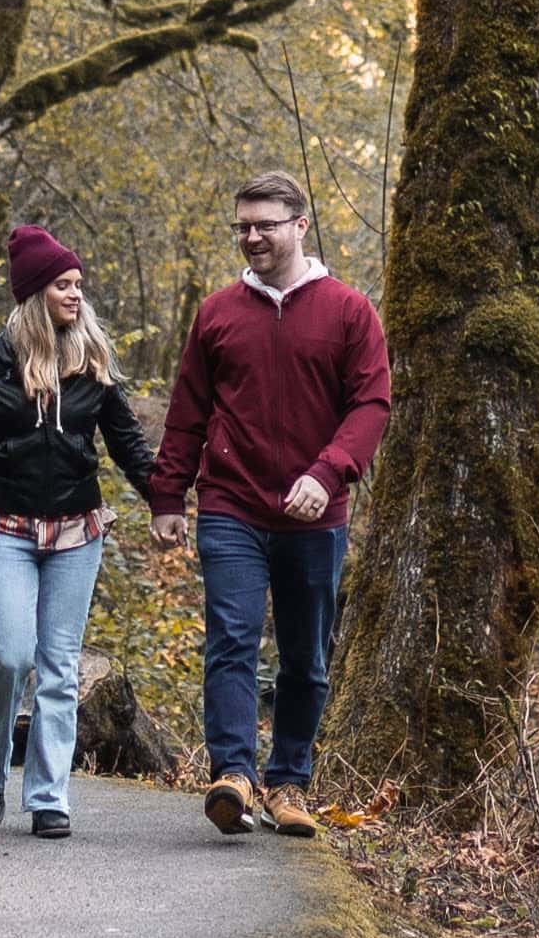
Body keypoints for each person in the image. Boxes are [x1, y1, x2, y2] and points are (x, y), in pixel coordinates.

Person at [148, 167, 390, 840]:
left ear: (299, 226)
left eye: (264, 225)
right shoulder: (217, 313)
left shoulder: (347, 310)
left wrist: (329, 471)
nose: (251, 237)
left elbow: (370, 404)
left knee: (305, 657)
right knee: (230, 638)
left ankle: (287, 784)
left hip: (316, 517)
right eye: (242, 227)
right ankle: (232, 775)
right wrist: (168, 492)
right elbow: (187, 412)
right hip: (231, 505)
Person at [0, 226, 162, 839]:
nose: (76, 295)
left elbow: (128, 444)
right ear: (35, 293)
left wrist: (167, 499)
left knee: (59, 666)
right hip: (4, 526)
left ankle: (49, 796)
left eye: (79, 285)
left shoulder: (93, 360)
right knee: (10, 654)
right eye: (64, 285)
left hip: (77, 531)